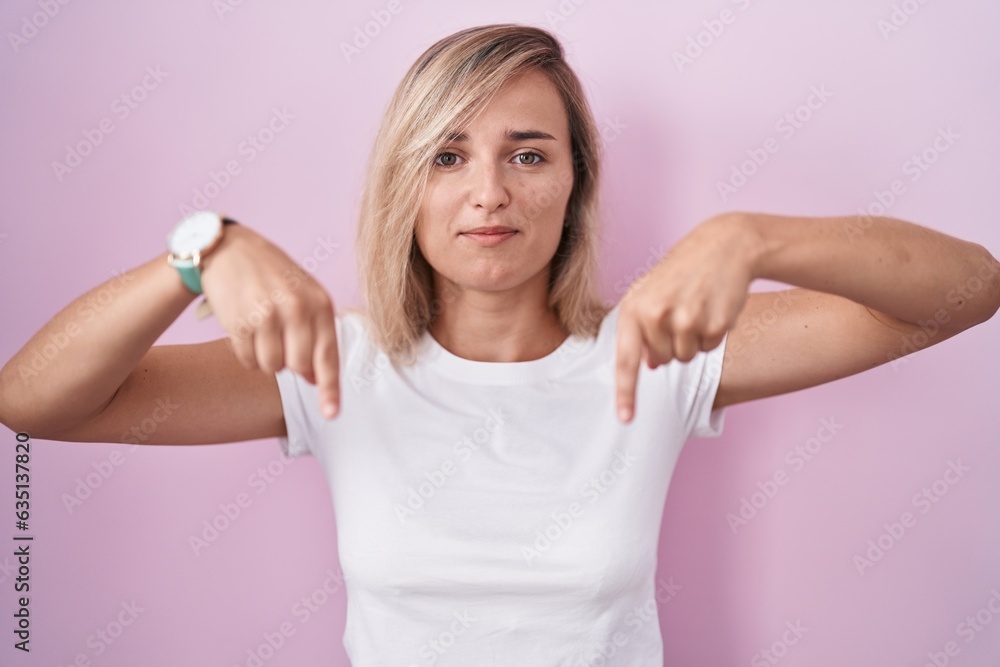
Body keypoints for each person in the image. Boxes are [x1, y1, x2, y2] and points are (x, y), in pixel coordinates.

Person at [1, 22, 998, 666]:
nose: (488, 192)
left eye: (528, 153)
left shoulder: (660, 351)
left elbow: (964, 290)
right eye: (447, 155)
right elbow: (36, 401)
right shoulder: (332, 365)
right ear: (407, 186)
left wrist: (752, 235)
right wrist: (196, 251)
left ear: (573, 185)